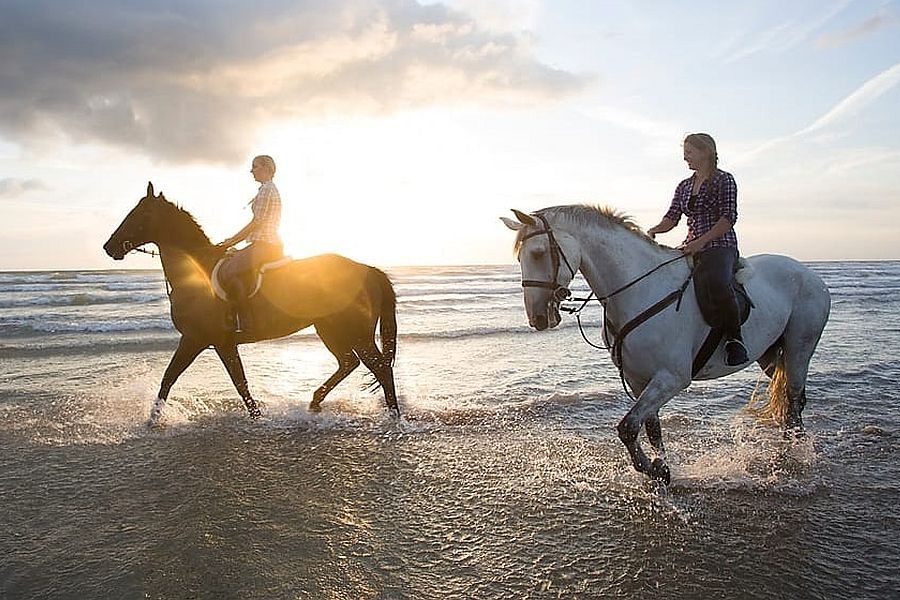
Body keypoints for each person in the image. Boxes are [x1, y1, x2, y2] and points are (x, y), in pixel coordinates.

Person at [647, 133, 749, 366]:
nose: (685, 158)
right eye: (685, 153)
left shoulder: (724, 180)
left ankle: (735, 339)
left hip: (720, 246)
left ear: (706, 152)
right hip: (690, 247)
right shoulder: (684, 186)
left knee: (718, 282)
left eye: (690, 152)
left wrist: (701, 242)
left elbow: (728, 218)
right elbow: (672, 218)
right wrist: (653, 231)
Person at [217, 154, 284, 332]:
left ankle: (245, 320)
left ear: (267, 168)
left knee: (230, 270)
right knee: (232, 261)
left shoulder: (267, 190)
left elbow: (257, 222)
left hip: (265, 244)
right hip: (264, 243)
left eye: (255, 166)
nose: (251, 170)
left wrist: (231, 240)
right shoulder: (266, 189)